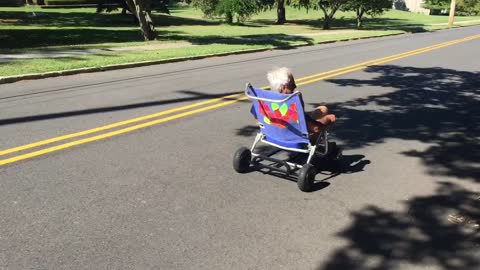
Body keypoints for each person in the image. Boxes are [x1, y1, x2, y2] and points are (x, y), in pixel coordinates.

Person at [263, 67, 336, 136]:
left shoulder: (265, 99)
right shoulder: (292, 102)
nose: (295, 86)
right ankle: (317, 142)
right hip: (295, 139)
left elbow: (258, 118)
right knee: (329, 117)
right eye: (292, 84)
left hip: (274, 134)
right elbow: (315, 128)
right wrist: (327, 119)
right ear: (284, 87)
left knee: (323, 109)